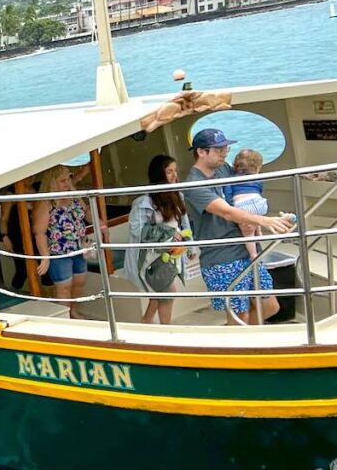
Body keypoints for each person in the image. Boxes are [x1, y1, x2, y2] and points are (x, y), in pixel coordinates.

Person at [183, 128, 292, 325]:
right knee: (238, 315)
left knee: (270, 306)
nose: (225, 153)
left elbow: (247, 186)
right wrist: (265, 221)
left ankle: (241, 341)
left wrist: (277, 218)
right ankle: (242, 345)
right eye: (219, 149)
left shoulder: (222, 169)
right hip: (222, 257)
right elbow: (225, 211)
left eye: (225, 148)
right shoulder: (194, 184)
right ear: (201, 152)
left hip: (246, 251)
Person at [125, 155, 192, 324]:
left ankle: (146, 321)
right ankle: (165, 332)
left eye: (175, 171)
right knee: (168, 293)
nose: (174, 175)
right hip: (153, 257)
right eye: (169, 171)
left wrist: (191, 247)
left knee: (159, 293)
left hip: (173, 253)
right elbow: (137, 230)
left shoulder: (178, 196)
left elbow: (184, 224)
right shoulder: (144, 202)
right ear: (158, 174)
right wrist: (167, 232)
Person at [32, 164, 106, 319]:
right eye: (62, 180)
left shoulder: (74, 196)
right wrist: (45, 256)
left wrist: (100, 224)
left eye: (68, 179)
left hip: (79, 248)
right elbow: (40, 232)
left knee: (80, 282)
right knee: (64, 287)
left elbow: (86, 212)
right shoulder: (46, 203)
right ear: (52, 183)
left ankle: (73, 311)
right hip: (58, 252)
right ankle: (64, 318)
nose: (67, 183)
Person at [224, 148, 268, 259]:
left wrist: (231, 207)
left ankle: (253, 254)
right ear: (257, 168)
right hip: (260, 204)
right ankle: (258, 229)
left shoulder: (231, 179)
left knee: (247, 233)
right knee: (255, 216)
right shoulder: (258, 178)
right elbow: (259, 189)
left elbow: (228, 194)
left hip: (243, 206)